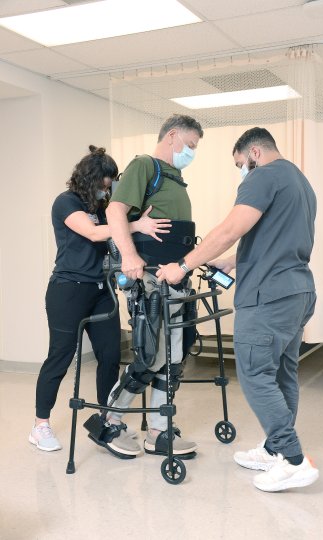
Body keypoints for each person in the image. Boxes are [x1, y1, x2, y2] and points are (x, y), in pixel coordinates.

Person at [156, 127, 319, 492]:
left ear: (255, 153)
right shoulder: (299, 181)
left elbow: (229, 229)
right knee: (282, 374)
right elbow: (277, 240)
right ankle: (275, 448)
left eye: (239, 164)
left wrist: (181, 266)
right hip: (298, 291)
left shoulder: (262, 177)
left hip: (269, 297)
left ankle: (293, 460)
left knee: (255, 374)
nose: (241, 171)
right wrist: (233, 263)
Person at [29, 145, 171, 452]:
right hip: (68, 290)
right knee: (61, 356)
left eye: (109, 187)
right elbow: (94, 234)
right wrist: (133, 225)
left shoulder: (99, 207)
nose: (105, 191)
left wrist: (132, 219)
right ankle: (40, 425)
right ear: (89, 179)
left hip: (100, 291)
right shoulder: (65, 202)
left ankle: (107, 418)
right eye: (103, 185)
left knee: (110, 356)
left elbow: (113, 231)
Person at [87, 114, 204, 458]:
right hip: (150, 278)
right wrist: (128, 257)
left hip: (176, 279)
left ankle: (158, 430)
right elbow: (116, 212)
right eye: (191, 145)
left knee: (175, 356)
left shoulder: (176, 177)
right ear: (172, 136)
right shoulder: (144, 165)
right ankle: (110, 422)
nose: (192, 152)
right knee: (151, 355)